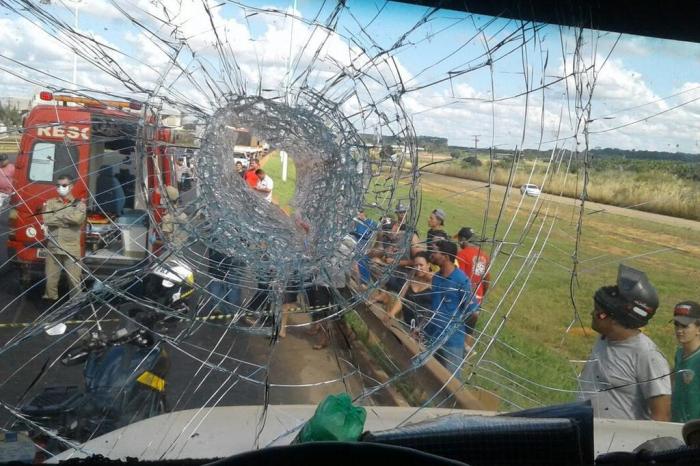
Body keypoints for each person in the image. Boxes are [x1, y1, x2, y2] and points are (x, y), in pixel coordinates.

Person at [578, 264, 671, 421]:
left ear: (616, 320)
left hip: (621, 443)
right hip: (587, 435)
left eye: (599, 313)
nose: (592, 314)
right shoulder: (605, 338)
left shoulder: (647, 356)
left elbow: (661, 416)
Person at [425, 240, 475, 372]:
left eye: (435, 252)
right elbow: (433, 307)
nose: (431, 255)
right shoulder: (436, 277)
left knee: (452, 380)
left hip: (452, 340)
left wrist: (467, 336)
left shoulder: (461, 281)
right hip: (433, 335)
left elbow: (473, 312)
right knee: (431, 372)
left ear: (446, 257)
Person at [41, 175, 86, 301]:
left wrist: (58, 216)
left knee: (74, 280)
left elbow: (77, 220)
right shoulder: (50, 202)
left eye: (64, 185)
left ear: (71, 186)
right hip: (53, 246)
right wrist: (66, 218)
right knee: (51, 280)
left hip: (71, 247)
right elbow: (47, 219)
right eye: (58, 185)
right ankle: (50, 303)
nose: (61, 188)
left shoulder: (79, 204)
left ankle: (75, 305)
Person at [384, 251, 433, 334]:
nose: (418, 268)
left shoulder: (435, 283)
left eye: (421, 265)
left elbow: (431, 310)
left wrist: (420, 327)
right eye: (416, 265)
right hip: (406, 322)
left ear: (428, 265)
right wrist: (392, 313)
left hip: (422, 327)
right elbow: (400, 298)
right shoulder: (410, 280)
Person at [671, 300, 700, 423]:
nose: (679, 330)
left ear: (698, 329)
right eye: (676, 324)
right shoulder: (679, 354)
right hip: (676, 424)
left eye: (685, 326)